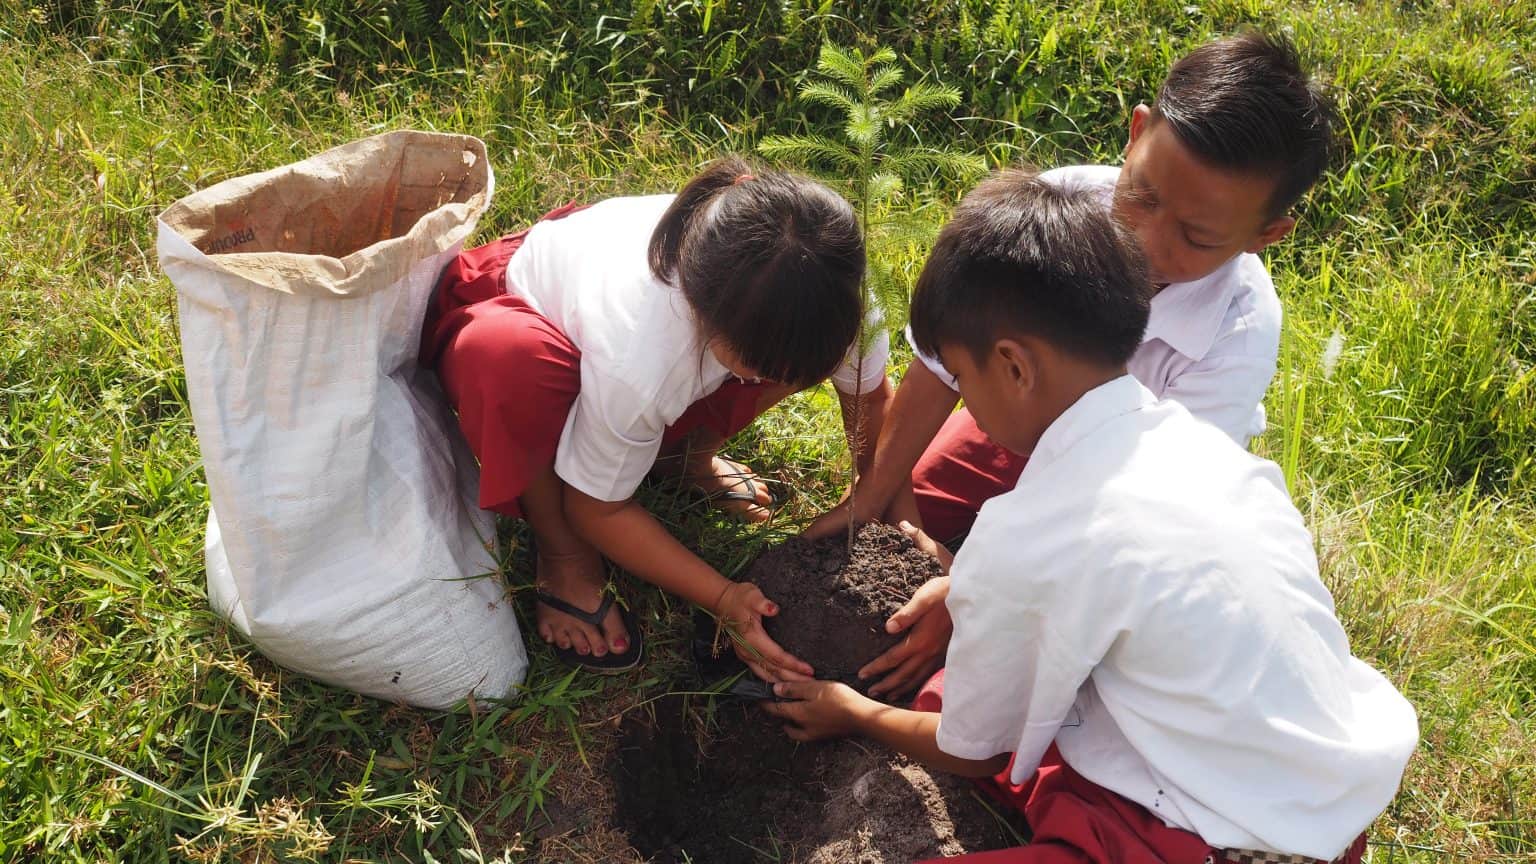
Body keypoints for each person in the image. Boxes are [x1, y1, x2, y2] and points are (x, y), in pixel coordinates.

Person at [763, 171, 1417, 864]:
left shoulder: (1027, 535)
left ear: (1015, 367)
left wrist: (854, 712)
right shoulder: (1217, 458)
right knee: (970, 697)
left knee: (969, 718)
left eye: (962, 377)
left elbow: (975, 754)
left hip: (1231, 845)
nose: (967, 406)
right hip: (1319, 796)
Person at [805, 29, 1341, 699]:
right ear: (1136, 134)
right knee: (908, 509)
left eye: (1196, 237)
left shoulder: (1238, 332)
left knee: (1025, 646)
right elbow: (943, 362)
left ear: (1267, 235)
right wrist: (876, 493)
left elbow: (1136, 514)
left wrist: (971, 592)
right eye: (1143, 196)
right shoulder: (1057, 208)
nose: (1147, 241)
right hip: (1012, 420)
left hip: (1123, 490)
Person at [420, 156, 892, 675]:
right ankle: (563, 556)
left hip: (661, 361)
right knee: (508, 361)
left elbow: (868, 398)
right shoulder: (641, 352)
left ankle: (682, 457)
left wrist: (881, 503)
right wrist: (723, 596)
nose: (771, 380)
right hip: (529, 336)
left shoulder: (826, 284)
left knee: (771, 360)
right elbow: (596, 509)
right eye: (757, 368)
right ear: (705, 316)